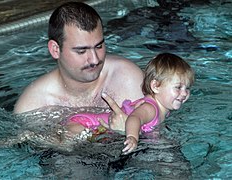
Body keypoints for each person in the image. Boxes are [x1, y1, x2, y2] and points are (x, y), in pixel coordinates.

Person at [13, 2, 144, 127]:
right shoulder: (32, 106)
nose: (94, 59)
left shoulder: (128, 78)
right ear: (55, 50)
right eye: (81, 51)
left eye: (99, 46)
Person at [65, 53, 195, 153]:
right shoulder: (151, 108)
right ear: (156, 86)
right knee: (69, 147)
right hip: (83, 123)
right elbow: (134, 118)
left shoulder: (162, 109)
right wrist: (133, 137)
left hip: (95, 127)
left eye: (187, 88)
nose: (184, 93)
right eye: (178, 87)